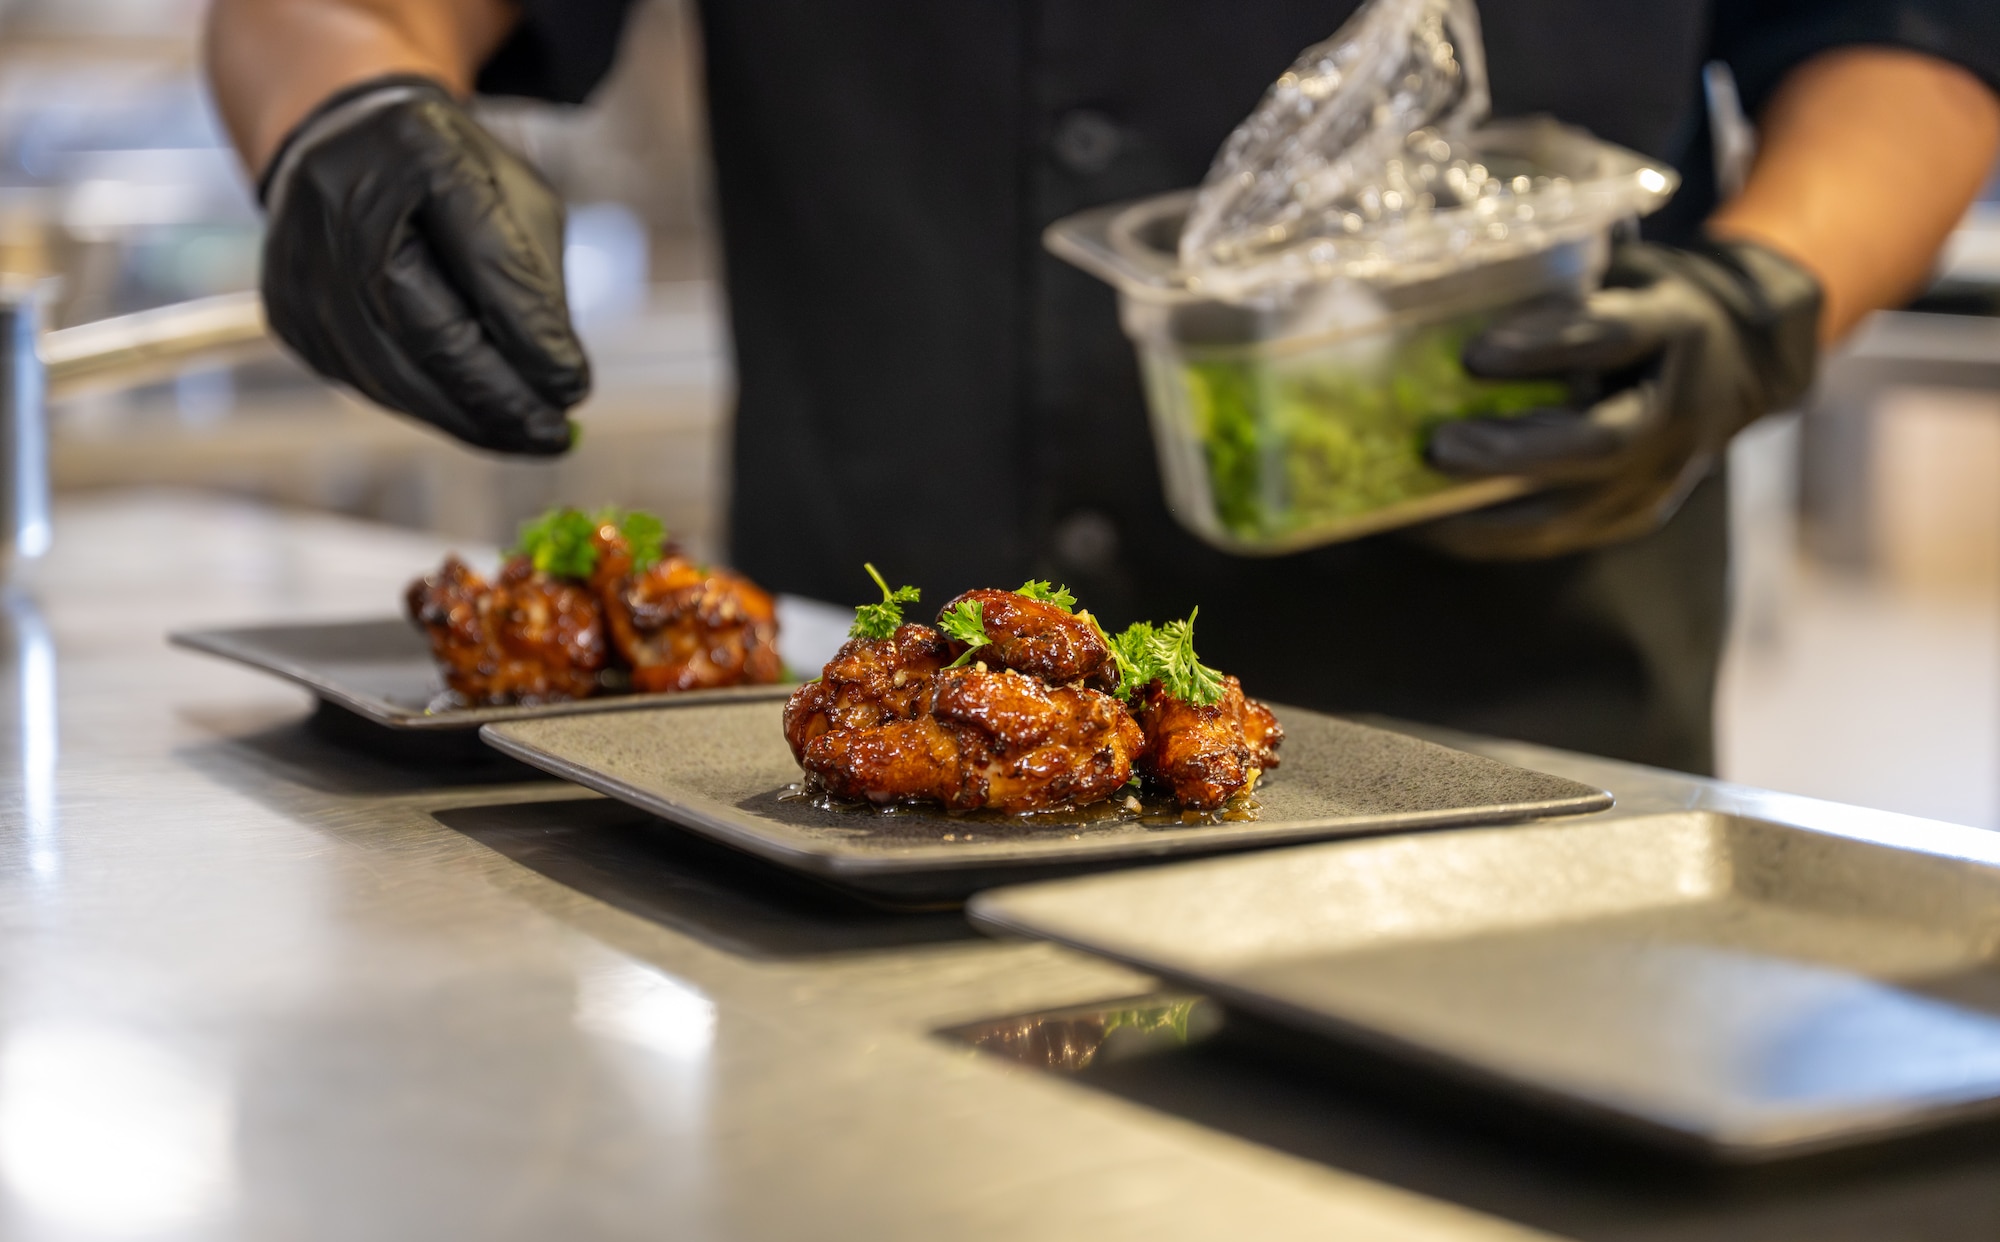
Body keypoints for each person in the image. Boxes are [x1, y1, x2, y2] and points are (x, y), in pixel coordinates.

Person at [205, 0, 2000, 773]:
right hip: (845, 750)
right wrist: (340, 119)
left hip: (1519, 720)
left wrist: (1763, 300)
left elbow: (1912, 41)